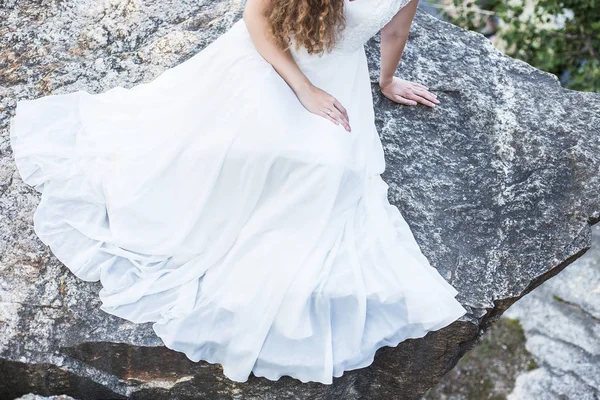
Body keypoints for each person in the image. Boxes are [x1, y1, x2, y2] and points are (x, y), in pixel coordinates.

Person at [9, 0, 467, 385]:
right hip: (270, 59)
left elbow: (393, 34)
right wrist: (305, 90)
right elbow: (256, 18)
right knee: (249, 141)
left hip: (337, 73)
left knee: (329, 169)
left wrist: (387, 82)